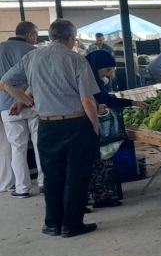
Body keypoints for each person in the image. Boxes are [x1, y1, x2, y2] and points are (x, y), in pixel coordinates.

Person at [0, 19, 101, 238]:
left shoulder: (32, 57)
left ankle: (52, 223)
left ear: (51, 36)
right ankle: (71, 224)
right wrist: (95, 124)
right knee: (76, 176)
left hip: (46, 125)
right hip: (75, 124)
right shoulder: (76, 59)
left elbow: (5, 83)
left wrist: (27, 102)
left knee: (52, 176)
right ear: (71, 38)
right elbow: (87, 99)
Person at [84, 51, 146, 208]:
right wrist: (95, 109)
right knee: (92, 164)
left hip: (95, 127)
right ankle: (91, 199)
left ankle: (99, 197)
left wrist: (131, 102)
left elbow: (106, 99)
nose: (110, 74)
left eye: (112, 70)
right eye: (107, 70)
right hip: (86, 128)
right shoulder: (85, 82)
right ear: (96, 67)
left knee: (98, 163)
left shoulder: (95, 81)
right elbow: (87, 102)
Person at [0, 21, 43, 197]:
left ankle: (21, 188)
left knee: (17, 148)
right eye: (36, 36)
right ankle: (44, 183)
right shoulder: (34, 51)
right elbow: (37, 78)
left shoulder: (0, 48)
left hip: (6, 106)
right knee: (40, 145)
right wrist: (23, 99)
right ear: (31, 35)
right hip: (33, 104)